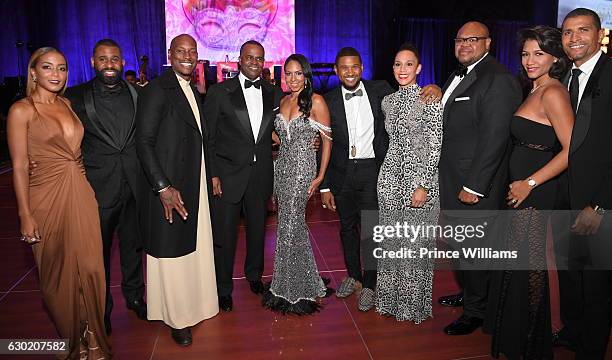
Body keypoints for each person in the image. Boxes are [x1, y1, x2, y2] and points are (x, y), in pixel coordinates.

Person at [7, 47, 111, 358]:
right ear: (33, 72)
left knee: (92, 269)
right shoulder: (21, 111)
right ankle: (72, 341)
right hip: (45, 198)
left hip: (80, 192)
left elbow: (76, 152)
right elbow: (20, 166)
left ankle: (94, 340)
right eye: (48, 67)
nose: (56, 74)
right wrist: (25, 214)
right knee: (57, 277)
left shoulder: (67, 104)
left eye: (62, 68)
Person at [320, 47, 441, 311]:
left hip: (373, 170)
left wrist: (434, 87)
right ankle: (354, 277)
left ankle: (371, 286)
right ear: (336, 71)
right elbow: (324, 144)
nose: (350, 72)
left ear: (362, 68)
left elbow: (411, 92)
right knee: (346, 229)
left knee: (373, 231)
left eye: (355, 66)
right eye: (344, 67)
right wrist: (325, 185)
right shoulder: (326, 101)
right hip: (341, 174)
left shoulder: (381, 90)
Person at [483, 25, 573, 359]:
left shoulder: (553, 93)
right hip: (522, 192)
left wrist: (529, 183)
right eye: (525, 53)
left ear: (554, 57)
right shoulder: (533, 88)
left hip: (535, 192)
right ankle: (522, 333)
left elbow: (570, 150)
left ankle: (537, 338)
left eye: (538, 53)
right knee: (522, 265)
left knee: (533, 267)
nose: (530, 60)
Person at [437, 21, 522, 335]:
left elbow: (495, 138)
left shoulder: (498, 79)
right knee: (460, 246)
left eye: (473, 39)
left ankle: (478, 311)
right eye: (459, 39)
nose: (464, 45)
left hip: (473, 185)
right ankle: (470, 294)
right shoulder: (458, 75)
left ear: (489, 43)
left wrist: (475, 185)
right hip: (452, 178)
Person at [136, 34, 218, 346]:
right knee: (170, 252)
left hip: (192, 180)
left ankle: (195, 305)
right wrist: (162, 187)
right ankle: (175, 318)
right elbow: (143, 142)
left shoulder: (193, 90)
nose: (187, 56)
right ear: (170, 54)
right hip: (170, 187)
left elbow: (199, 137)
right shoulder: (158, 89)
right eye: (180, 51)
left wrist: (209, 175)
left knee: (192, 246)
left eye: (192, 51)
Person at [62, 39, 146, 334]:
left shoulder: (139, 94)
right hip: (98, 189)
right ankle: (102, 310)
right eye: (103, 59)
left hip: (135, 186)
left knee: (133, 249)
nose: (109, 64)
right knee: (97, 255)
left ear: (123, 63)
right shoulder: (73, 98)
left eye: (114, 59)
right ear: (93, 61)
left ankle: (136, 297)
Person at [203, 40, 284, 312]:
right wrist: (213, 175)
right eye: (249, 57)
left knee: (258, 231)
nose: (254, 62)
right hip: (227, 175)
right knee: (225, 235)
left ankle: (254, 275)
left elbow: (279, 128)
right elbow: (209, 139)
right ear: (239, 60)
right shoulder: (219, 92)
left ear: (264, 62)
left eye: (259, 58)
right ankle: (223, 288)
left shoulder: (273, 92)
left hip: (260, 173)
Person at [375, 43, 443, 323]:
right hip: (389, 178)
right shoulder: (387, 101)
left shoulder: (430, 98)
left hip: (419, 181)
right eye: (397, 64)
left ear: (419, 68)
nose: (402, 70)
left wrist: (424, 185)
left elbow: (435, 144)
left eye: (408, 64)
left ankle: (412, 306)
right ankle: (390, 301)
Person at [261, 54, 334, 314]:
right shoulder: (282, 101)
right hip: (281, 167)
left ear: (306, 75)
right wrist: (276, 140)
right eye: (288, 74)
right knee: (288, 224)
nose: (292, 79)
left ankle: (293, 288)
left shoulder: (317, 101)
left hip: (303, 169)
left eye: (297, 74)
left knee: (291, 224)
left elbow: (327, 141)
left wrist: (320, 175)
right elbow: (277, 134)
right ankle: (302, 279)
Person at [561, 8, 612, 360]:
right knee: (570, 276)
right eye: (567, 32)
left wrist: (601, 205)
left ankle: (592, 350)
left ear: (599, 34)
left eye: (582, 30)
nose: (574, 38)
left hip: (598, 202)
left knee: (597, 285)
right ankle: (573, 334)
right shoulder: (564, 75)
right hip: (563, 197)